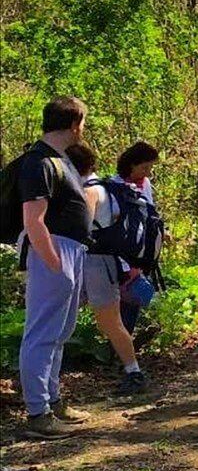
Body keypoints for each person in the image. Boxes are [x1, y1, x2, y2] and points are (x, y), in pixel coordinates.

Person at [16, 97, 93, 438]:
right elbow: (34, 220)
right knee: (42, 333)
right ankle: (37, 413)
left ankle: (52, 399)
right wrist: (55, 263)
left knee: (60, 333)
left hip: (70, 251)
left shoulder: (59, 161)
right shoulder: (39, 162)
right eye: (84, 123)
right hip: (54, 251)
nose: (84, 129)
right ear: (74, 123)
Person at [65, 143, 149, 398]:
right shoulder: (106, 188)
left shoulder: (91, 191)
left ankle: (134, 373)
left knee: (107, 321)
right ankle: (133, 371)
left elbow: (81, 227)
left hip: (93, 262)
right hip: (102, 262)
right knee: (108, 321)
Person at [114, 141, 159, 336]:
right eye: (144, 168)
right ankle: (119, 346)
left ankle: (126, 340)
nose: (148, 173)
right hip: (123, 252)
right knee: (124, 297)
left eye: (150, 167)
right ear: (131, 165)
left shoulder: (146, 184)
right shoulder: (114, 187)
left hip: (145, 251)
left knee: (137, 296)